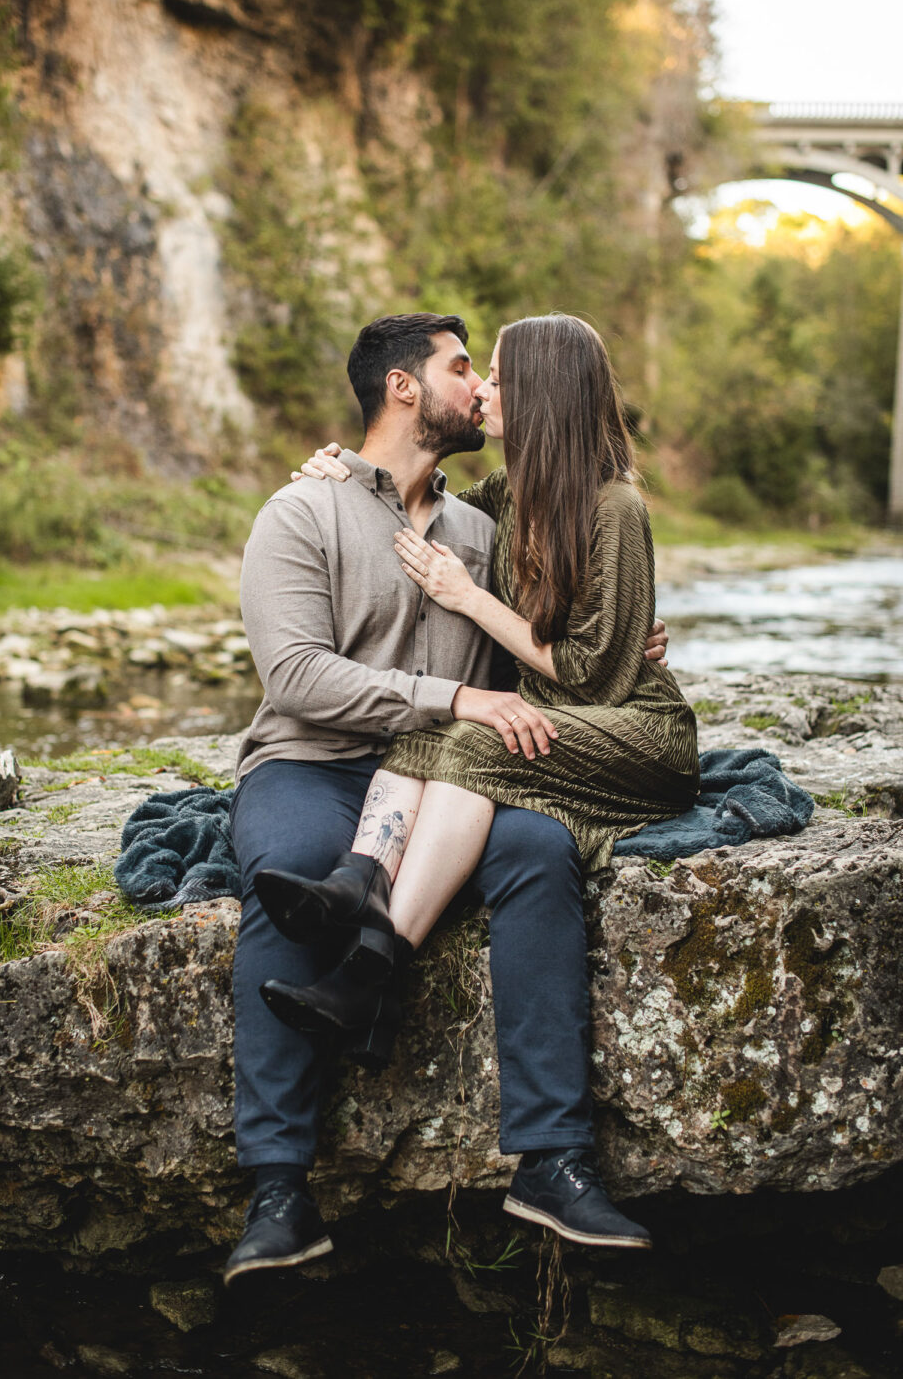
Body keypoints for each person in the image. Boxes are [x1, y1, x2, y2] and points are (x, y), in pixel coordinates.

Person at [225, 313, 669, 1284]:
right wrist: (457, 696)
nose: (479, 388)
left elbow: (569, 602)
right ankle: (276, 1186)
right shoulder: (303, 512)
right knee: (286, 869)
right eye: (463, 370)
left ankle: (552, 1158)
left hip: (453, 776)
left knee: (542, 853)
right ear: (400, 388)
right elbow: (296, 677)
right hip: (314, 761)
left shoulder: (484, 522)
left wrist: (626, 636)